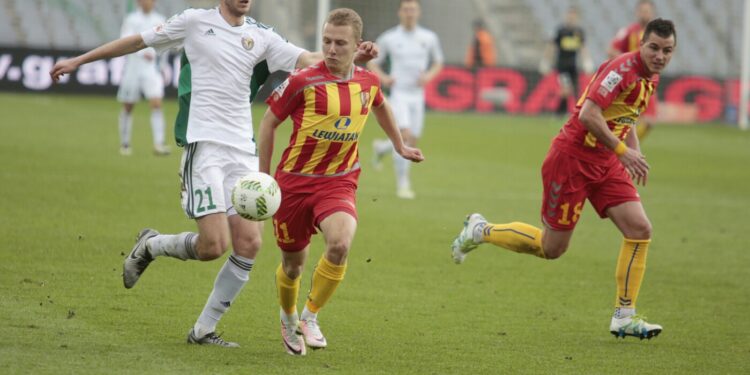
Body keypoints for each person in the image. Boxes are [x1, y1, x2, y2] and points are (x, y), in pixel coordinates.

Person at [50, 0, 377, 348]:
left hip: (242, 151)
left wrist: (352, 57)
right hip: (204, 146)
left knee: (250, 243)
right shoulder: (193, 22)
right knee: (212, 246)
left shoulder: (260, 34)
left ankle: (203, 330)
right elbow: (137, 41)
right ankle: (152, 245)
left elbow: (308, 58)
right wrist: (79, 60)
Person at [451, 18, 676, 340]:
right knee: (552, 247)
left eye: (667, 50)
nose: (660, 55)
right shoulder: (622, 70)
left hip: (606, 161)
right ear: (641, 44)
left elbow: (628, 115)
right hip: (572, 160)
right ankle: (480, 229)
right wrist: (624, 150)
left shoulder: (650, 76)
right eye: (654, 47)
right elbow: (589, 114)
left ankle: (624, 317)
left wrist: (627, 154)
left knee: (640, 229)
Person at [258, 8, 424, 355]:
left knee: (340, 244)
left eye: (340, 43)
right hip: (294, 185)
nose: (332, 49)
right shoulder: (303, 80)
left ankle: (310, 316)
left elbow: (380, 105)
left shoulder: (367, 81)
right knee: (293, 265)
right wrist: (263, 177)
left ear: (356, 45)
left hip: (339, 182)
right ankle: (288, 319)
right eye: (327, 42)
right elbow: (268, 123)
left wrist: (399, 145)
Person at [367, 0, 443, 199]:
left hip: (417, 96)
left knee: (412, 139)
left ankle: (381, 148)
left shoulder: (429, 37)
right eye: (406, 9)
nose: (409, 13)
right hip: (398, 94)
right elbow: (373, 63)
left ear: (419, 12)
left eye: (413, 9)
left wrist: (428, 76)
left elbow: (438, 62)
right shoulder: (390, 38)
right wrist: (385, 79)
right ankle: (403, 184)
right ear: (400, 12)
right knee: (406, 135)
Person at [116, 0, 170, 156]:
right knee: (128, 105)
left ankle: (159, 144)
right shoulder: (131, 19)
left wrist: (162, 68)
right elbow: (124, 40)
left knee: (156, 103)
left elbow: (165, 43)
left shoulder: (159, 19)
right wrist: (141, 53)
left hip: (150, 69)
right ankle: (125, 143)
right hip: (133, 68)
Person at [608, 0, 656, 140]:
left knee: (649, 122)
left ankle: (626, 146)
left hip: (647, 82)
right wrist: (629, 63)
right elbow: (612, 50)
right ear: (637, 12)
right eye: (642, 11)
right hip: (629, 82)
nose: (644, 14)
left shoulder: (656, 34)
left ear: (652, 13)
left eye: (647, 11)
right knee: (626, 118)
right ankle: (621, 147)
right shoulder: (628, 31)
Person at [539, 6, 594, 116]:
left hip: (573, 66)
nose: (571, 18)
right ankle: (559, 112)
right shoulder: (561, 31)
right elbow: (551, 46)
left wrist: (587, 61)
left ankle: (571, 112)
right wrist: (546, 61)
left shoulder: (579, 32)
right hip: (562, 65)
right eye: (569, 16)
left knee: (576, 90)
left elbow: (583, 48)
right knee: (565, 90)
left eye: (573, 16)